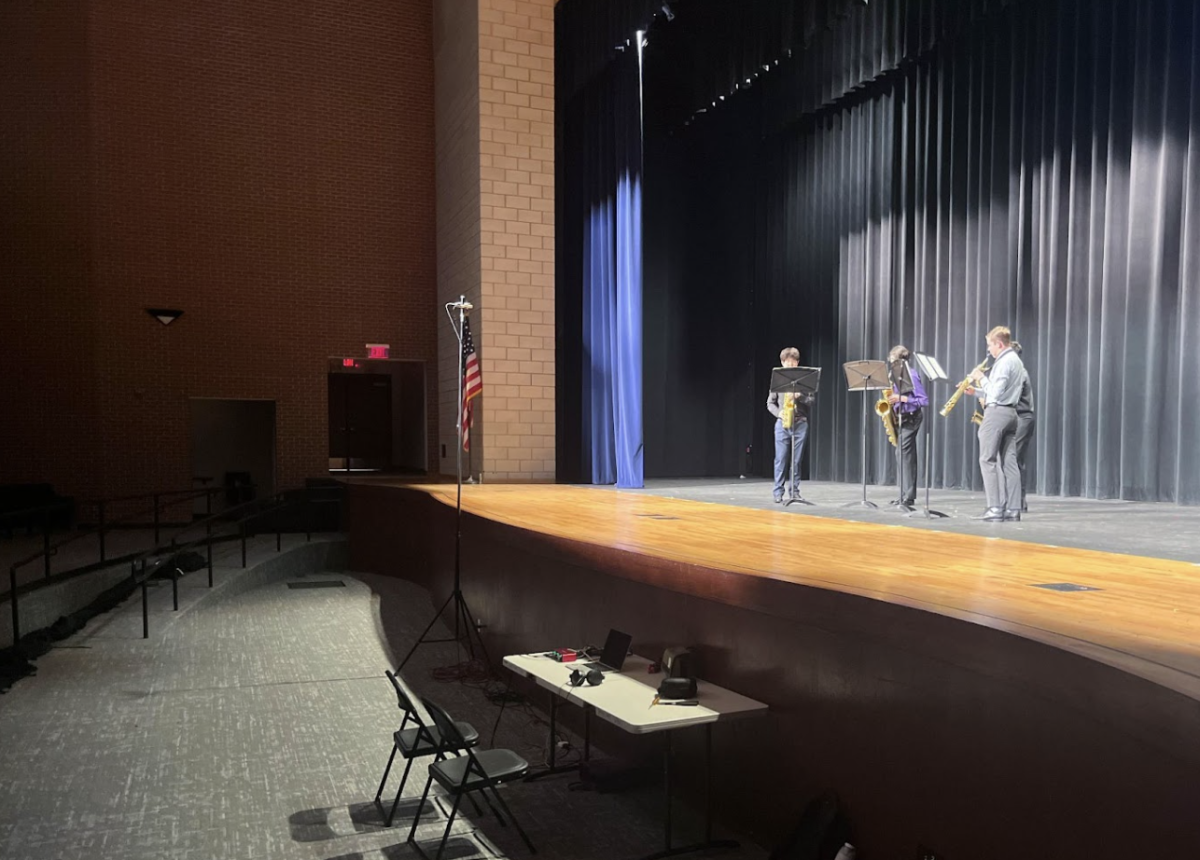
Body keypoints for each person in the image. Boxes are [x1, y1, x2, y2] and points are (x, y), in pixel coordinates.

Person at [969, 326, 1028, 521]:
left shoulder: (1003, 362)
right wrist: (975, 392)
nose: (989, 351)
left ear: (999, 344)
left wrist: (981, 378)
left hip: (996, 414)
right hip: (1011, 413)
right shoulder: (1017, 362)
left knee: (988, 459)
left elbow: (994, 393)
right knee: (1010, 463)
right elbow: (1003, 392)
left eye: (990, 346)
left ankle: (994, 508)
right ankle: (1013, 509)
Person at [767, 347, 814, 503]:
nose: (790, 365)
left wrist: (800, 396)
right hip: (782, 423)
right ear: (782, 363)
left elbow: (811, 401)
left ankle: (794, 491)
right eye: (787, 363)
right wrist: (779, 413)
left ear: (797, 363)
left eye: (793, 362)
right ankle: (777, 492)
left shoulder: (805, 380)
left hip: (800, 423)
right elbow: (770, 403)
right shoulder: (778, 380)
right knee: (780, 459)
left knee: (796, 460)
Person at [886, 345, 928, 508]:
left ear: (900, 361)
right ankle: (904, 494)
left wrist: (901, 399)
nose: (892, 366)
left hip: (912, 417)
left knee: (906, 456)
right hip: (902, 417)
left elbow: (923, 400)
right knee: (901, 455)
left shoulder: (911, 374)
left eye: (893, 362)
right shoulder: (898, 375)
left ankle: (908, 497)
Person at [1011, 341, 1035, 512]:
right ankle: (1018, 501)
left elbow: (1012, 397)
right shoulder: (1018, 372)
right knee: (1015, 460)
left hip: (1022, 417)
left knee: (1015, 460)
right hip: (1019, 417)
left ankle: (1018, 501)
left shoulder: (1019, 373)